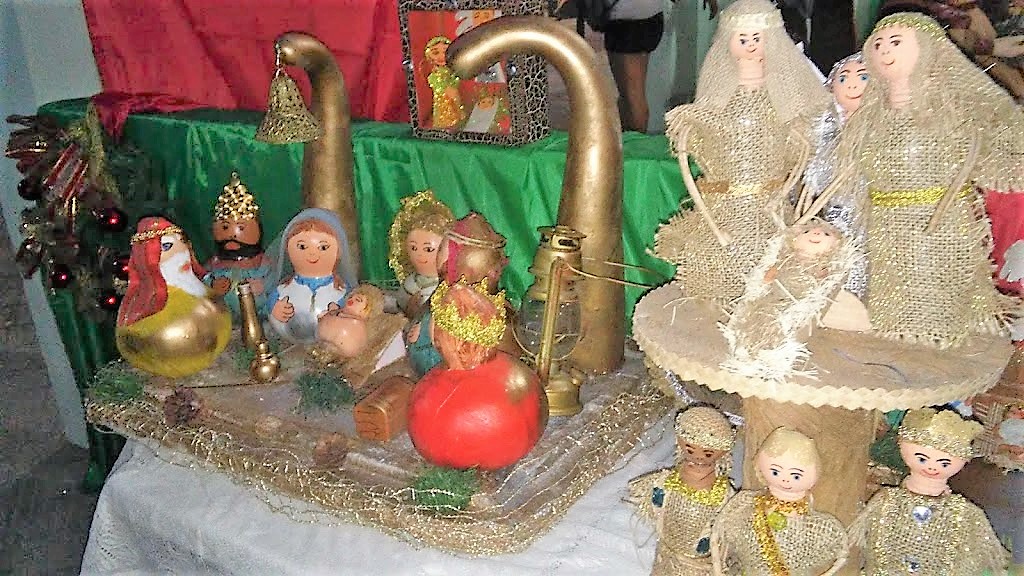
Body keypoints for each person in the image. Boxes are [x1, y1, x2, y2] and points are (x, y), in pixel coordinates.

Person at [603, 0, 668, 132]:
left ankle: (635, 141)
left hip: (628, 20)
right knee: (630, 96)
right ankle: (628, 139)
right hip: (648, 15)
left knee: (632, 97)